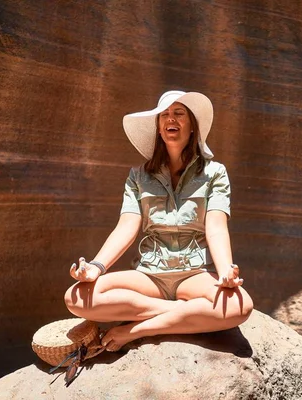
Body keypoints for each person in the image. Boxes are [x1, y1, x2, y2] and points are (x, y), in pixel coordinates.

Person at [64, 90, 254, 352]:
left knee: (240, 306)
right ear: (158, 128)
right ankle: (180, 312)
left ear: (192, 127)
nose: (170, 119)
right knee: (75, 297)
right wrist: (95, 267)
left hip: (194, 274)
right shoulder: (138, 176)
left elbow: (216, 227)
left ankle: (136, 329)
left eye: (178, 113)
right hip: (149, 275)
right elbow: (126, 226)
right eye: (164, 114)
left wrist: (224, 272)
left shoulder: (214, 173)